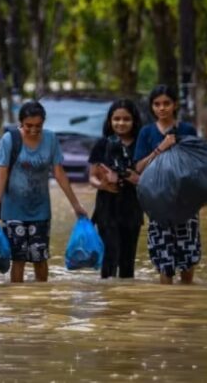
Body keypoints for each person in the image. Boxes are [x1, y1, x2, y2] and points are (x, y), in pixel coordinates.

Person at [0, 101, 88, 283]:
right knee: (18, 259)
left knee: (40, 259)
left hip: (40, 210)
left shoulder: (50, 139)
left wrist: (76, 205)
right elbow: (1, 175)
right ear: (21, 123)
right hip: (13, 210)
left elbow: (59, 173)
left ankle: (41, 301)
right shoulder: (10, 140)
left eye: (38, 126)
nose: (34, 130)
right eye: (29, 126)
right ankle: (18, 300)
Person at [134, 84, 200, 285]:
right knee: (165, 260)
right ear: (152, 107)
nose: (161, 108)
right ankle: (167, 303)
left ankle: (184, 303)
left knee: (187, 258)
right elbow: (139, 167)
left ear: (175, 105)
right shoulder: (146, 133)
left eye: (166, 103)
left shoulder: (187, 130)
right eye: (157, 104)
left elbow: (196, 164)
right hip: (158, 203)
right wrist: (160, 148)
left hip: (185, 202)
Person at [88, 99, 143, 279]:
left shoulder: (141, 145)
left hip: (132, 209)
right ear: (110, 121)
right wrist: (102, 184)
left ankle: (125, 302)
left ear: (134, 120)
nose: (121, 123)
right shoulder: (102, 144)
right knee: (109, 259)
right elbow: (92, 177)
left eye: (126, 119)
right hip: (107, 209)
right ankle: (109, 300)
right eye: (116, 119)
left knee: (128, 263)